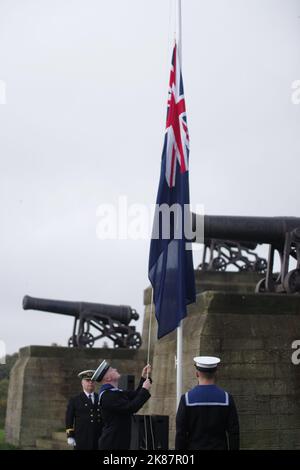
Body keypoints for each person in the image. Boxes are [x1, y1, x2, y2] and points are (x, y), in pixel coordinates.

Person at [175, 356, 239, 450]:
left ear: (197, 374)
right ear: (215, 373)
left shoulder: (187, 399)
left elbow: (181, 434)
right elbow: (234, 433)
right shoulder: (227, 398)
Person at [92, 360, 151, 450]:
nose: (115, 369)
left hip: (119, 441)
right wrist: (145, 389)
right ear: (108, 378)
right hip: (112, 443)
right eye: (112, 370)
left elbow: (134, 395)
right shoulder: (107, 396)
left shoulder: (114, 392)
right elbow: (131, 408)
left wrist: (143, 377)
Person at [65, 369, 102, 450]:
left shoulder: (99, 398)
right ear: (82, 383)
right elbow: (69, 418)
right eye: (87, 380)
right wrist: (70, 435)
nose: (90, 382)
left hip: (98, 437)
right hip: (82, 438)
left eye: (92, 380)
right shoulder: (75, 400)